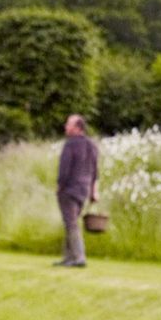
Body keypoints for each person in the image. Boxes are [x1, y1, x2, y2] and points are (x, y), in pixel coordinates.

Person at [54, 114, 99, 268]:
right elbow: (95, 171)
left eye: (68, 124)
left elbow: (64, 168)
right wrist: (94, 191)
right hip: (84, 190)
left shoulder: (70, 145)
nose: (66, 127)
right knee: (71, 223)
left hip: (69, 189)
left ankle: (79, 257)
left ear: (77, 127)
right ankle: (68, 257)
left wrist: (60, 185)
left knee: (71, 224)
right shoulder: (91, 146)